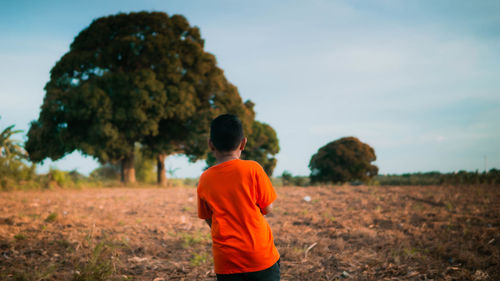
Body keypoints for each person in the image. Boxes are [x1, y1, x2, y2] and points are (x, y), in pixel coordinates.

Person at [197, 114, 280, 281]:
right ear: (243, 143)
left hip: (227, 261)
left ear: (210, 144)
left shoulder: (205, 178)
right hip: (260, 256)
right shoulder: (253, 169)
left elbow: (208, 217)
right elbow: (268, 208)